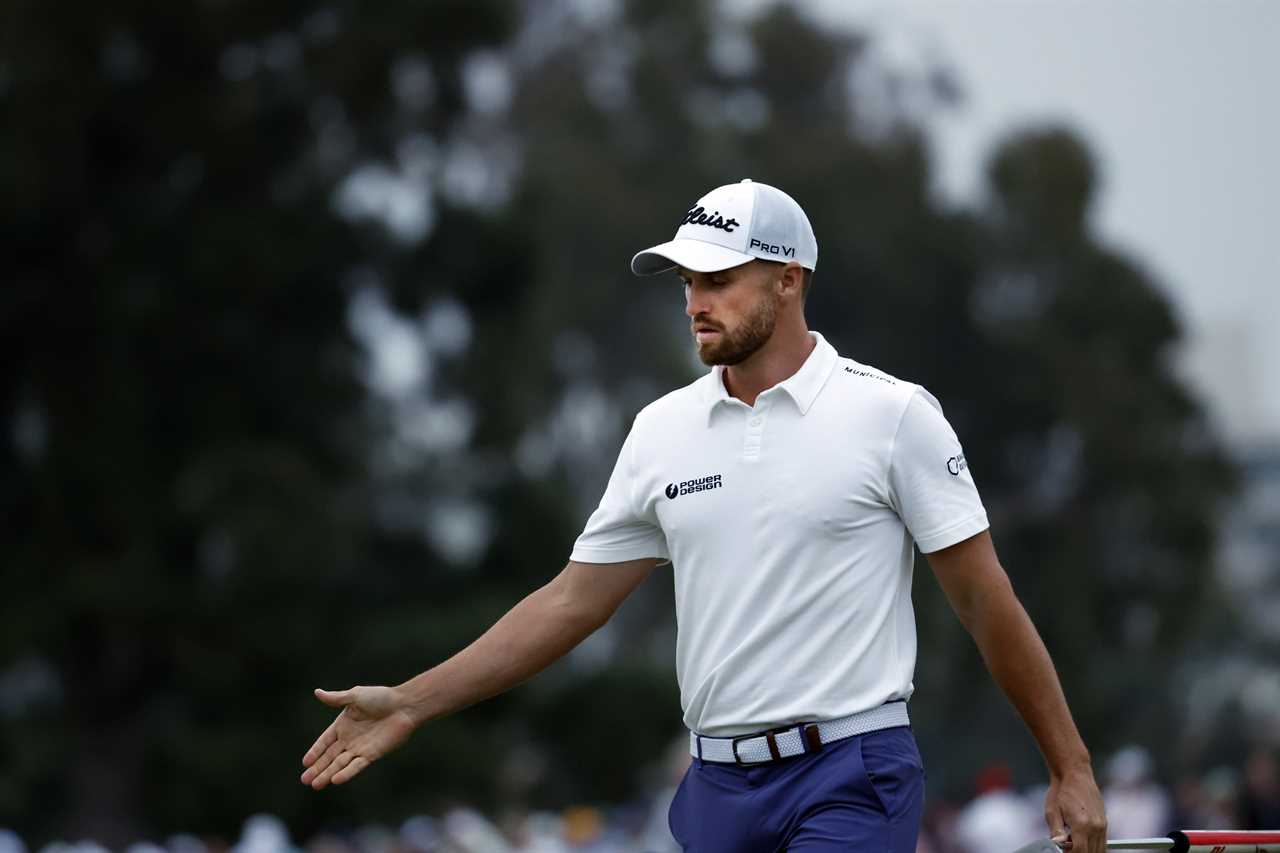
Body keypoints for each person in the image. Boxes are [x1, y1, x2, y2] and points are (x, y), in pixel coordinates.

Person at [300, 179, 1107, 853]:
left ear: (790, 279)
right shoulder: (660, 431)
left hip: (851, 773)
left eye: (718, 279)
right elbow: (569, 602)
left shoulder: (892, 414)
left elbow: (983, 599)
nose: (694, 301)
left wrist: (1068, 765)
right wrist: (412, 700)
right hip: (714, 788)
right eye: (687, 281)